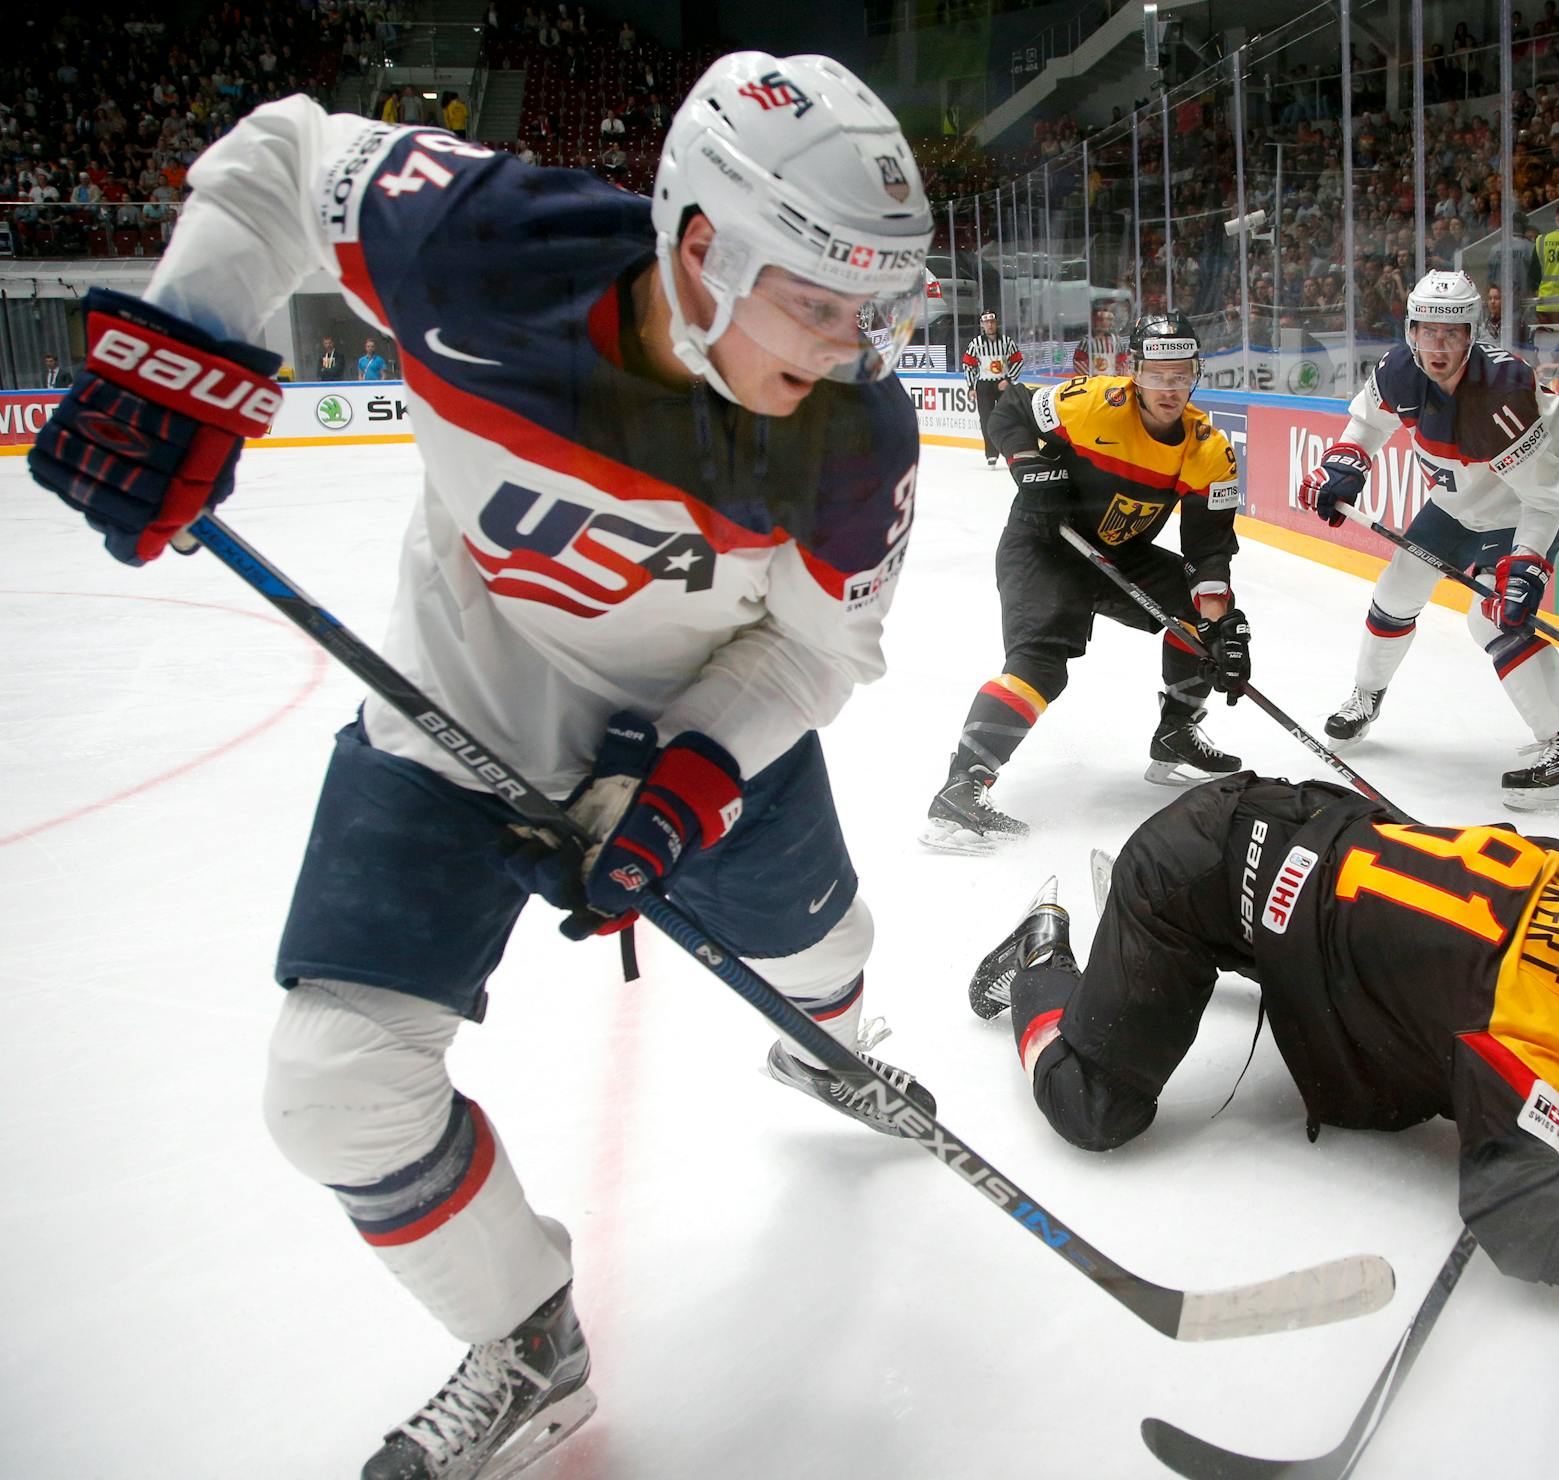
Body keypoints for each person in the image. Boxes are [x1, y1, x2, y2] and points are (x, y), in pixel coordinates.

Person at [27, 51, 936, 1480]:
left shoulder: (856, 433)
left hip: (704, 728)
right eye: (813, 304)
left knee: (827, 950)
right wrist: (176, 357)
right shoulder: (482, 242)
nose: (844, 346)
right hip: (458, 707)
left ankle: (836, 1043)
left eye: (869, 312)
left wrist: (693, 782)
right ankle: (527, 1339)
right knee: (333, 1086)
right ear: (703, 247)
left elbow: (818, 655)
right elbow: (283, 155)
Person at [966, 774, 1559, 1401]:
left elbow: (1479, 885)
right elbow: (1513, 1210)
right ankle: (1042, 955)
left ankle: (1178, 966)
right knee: (1093, 1109)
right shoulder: (1515, 1021)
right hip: (1191, 881)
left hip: (1290, 836)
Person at [921, 313, 1249, 852]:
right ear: (1135, 372)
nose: (1169, 387)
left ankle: (1175, 734)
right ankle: (961, 790)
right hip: (1046, 544)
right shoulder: (1091, 403)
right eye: (1156, 373)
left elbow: (1208, 552)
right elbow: (1011, 406)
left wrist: (1217, 628)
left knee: (1202, 617)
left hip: (1116, 554)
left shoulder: (1209, 450)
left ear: (1196, 373)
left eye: (1181, 373)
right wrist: (1029, 461)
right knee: (1040, 662)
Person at [1297, 269, 1559, 810]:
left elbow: (1546, 498)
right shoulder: (1399, 368)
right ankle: (1367, 697)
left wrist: (1528, 562)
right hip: (1456, 502)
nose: (1437, 347)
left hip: (1522, 505)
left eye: (1452, 333)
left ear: (1472, 333)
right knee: (1397, 590)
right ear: (1411, 330)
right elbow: (1366, 425)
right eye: (1426, 332)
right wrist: (1346, 465)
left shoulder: (1501, 397)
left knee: (1491, 617)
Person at [963, 309, 1020, 467]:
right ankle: (991, 454)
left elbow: (1018, 361)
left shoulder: (1007, 342)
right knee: (986, 421)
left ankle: (1010, 452)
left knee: (1008, 418)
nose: (989, 325)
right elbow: (968, 365)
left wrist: (1009, 379)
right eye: (986, 322)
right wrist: (971, 386)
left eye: (992, 321)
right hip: (984, 386)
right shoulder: (976, 344)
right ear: (982, 325)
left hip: (1002, 384)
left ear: (996, 323)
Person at [1071, 302, 1128, 377]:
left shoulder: (1116, 340)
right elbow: (1078, 361)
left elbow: (1122, 361)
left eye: (1108, 319)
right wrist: (1089, 375)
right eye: (1100, 320)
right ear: (1093, 321)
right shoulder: (1087, 341)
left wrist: (1118, 376)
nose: (1104, 323)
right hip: (1094, 382)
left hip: (1112, 381)